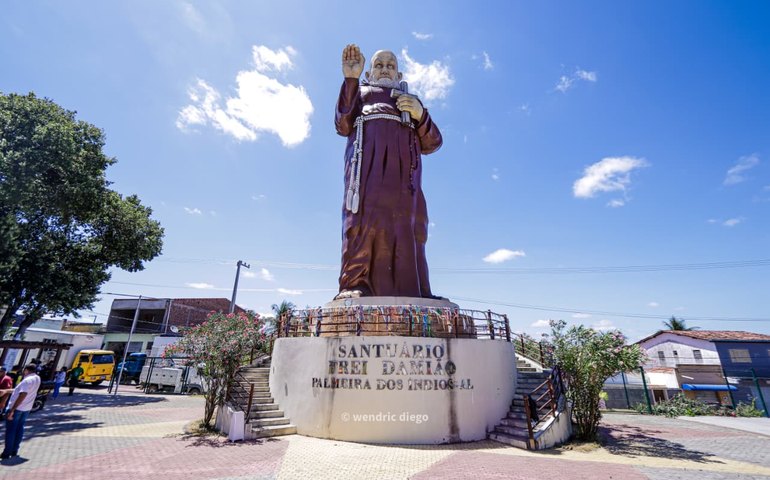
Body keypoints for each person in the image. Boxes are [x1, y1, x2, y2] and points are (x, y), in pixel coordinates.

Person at [335, 44, 443, 299]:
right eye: (379, 65)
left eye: (391, 65)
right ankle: (355, 284)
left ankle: (415, 291)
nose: (385, 69)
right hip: (366, 175)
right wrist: (350, 80)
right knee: (361, 224)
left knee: (409, 229)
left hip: (405, 184)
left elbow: (433, 142)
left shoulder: (410, 103)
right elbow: (342, 124)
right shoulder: (360, 94)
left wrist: (421, 115)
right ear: (369, 73)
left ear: (399, 75)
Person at [1, 364, 41, 459]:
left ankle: (7, 453)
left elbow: (23, 394)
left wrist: (12, 409)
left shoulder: (26, 380)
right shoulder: (37, 378)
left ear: (26, 370)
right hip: (26, 408)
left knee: (11, 430)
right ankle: (14, 450)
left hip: (18, 408)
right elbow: (18, 390)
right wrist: (6, 391)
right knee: (19, 429)